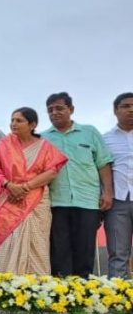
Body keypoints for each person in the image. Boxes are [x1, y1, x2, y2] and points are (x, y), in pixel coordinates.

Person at [0, 108, 68, 275]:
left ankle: (36, 286)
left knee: (36, 242)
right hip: (7, 198)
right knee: (6, 241)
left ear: (32, 125)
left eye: (19, 120)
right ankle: (3, 282)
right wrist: (9, 185)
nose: (13, 124)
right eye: (12, 120)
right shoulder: (5, 143)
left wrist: (25, 187)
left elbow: (52, 171)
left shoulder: (44, 147)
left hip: (36, 200)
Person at [42, 92, 113, 278]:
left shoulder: (89, 132)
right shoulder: (42, 138)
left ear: (71, 109)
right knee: (59, 249)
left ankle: (83, 292)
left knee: (85, 247)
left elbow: (103, 163)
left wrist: (107, 193)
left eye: (59, 108)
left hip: (88, 201)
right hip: (56, 202)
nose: (54, 113)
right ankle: (61, 293)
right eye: (50, 110)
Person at [104, 92, 133, 278]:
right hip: (117, 202)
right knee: (118, 253)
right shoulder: (104, 139)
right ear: (116, 110)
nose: (131, 110)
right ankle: (117, 302)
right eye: (125, 106)